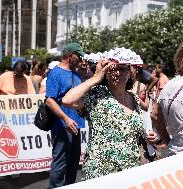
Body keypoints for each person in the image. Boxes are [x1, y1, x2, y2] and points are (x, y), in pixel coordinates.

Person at [62, 55, 158, 180]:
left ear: (130, 73)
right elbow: (67, 100)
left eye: (123, 69)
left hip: (129, 170)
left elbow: (131, 129)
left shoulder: (134, 98)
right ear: (106, 73)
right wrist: (95, 78)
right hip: (100, 172)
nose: (117, 73)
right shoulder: (97, 94)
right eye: (112, 69)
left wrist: (148, 136)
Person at [45, 42, 85, 188]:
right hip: (62, 125)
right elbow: (50, 100)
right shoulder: (55, 73)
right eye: (79, 56)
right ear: (70, 56)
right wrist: (66, 119)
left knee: (74, 161)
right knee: (60, 161)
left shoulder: (75, 73)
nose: (81, 59)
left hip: (75, 124)